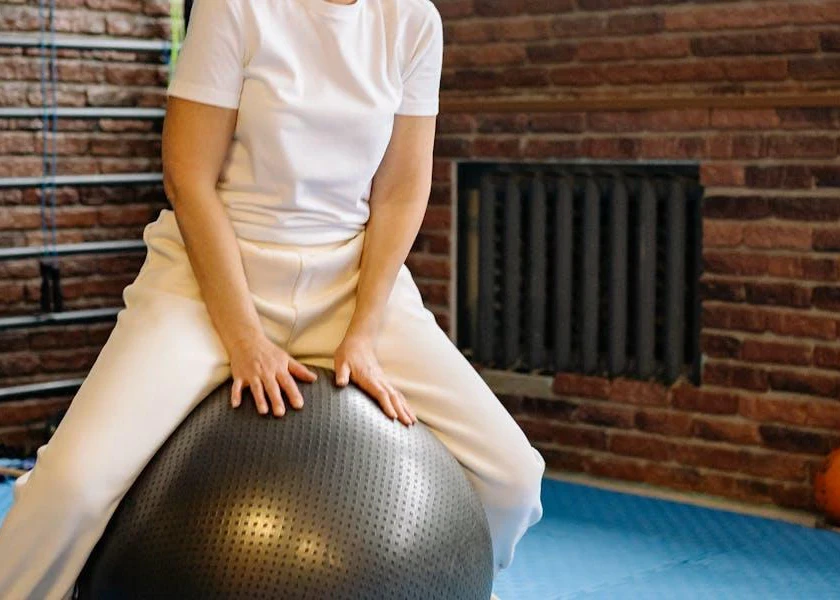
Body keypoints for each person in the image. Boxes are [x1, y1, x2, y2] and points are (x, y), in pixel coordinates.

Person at [0, 0, 545, 598]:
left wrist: (362, 331)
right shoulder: (237, 6)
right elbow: (188, 175)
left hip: (349, 280)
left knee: (514, 479)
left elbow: (400, 191)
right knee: (70, 490)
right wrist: (243, 337)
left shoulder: (414, 21)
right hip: (209, 280)